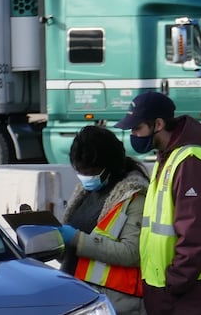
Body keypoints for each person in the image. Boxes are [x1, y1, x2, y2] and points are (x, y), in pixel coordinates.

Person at [115, 91, 201, 315]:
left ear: (158, 124)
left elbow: (195, 236)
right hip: (175, 294)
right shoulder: (168, 158)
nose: (133, 135)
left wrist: (174, 283)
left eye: (137, 128)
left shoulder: (190, 161)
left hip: (195, 295)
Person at [58, 125, 149, 315]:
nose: (85, 177)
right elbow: (76, 254)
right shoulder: (84, 192)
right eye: (80, 171)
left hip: (117, 303)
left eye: (90, 171)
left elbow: (132, 252)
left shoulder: (134, 195)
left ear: (109, 167)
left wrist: (76, 239)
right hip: (81, 297)